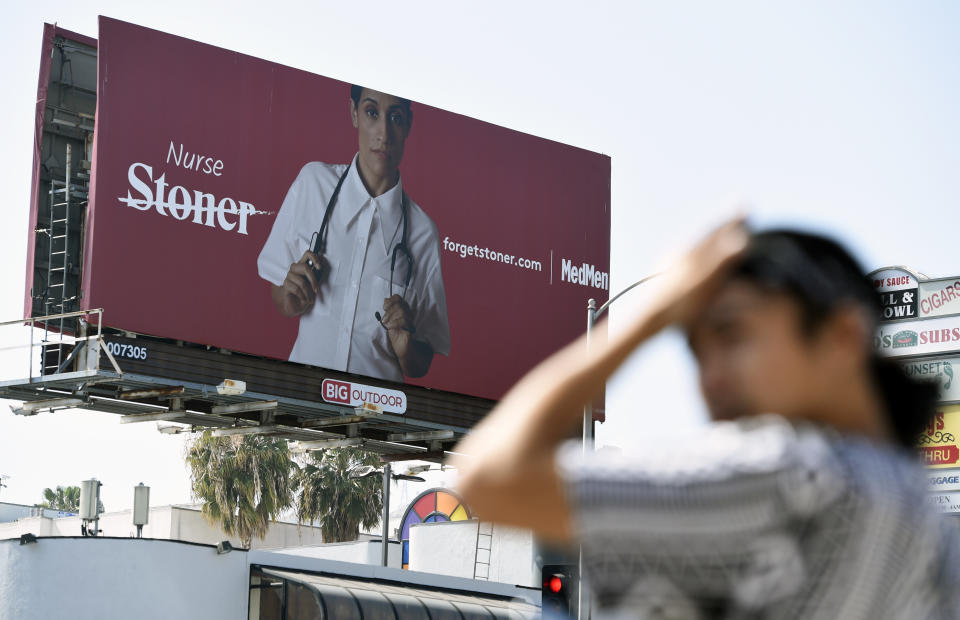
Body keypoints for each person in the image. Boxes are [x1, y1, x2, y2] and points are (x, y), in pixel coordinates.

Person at [453, 219, 958, 618]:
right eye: (696, 350)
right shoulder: (918, 516)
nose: (709, 377)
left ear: (841, 336)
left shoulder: (784, 478)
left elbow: (488, 477)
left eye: (733, 335)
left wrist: (650, 317)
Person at [257, 85, 450, 382]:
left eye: (395, 117)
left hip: (374, 413)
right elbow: (281, 297)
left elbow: (419, 364)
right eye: (372, 112)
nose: (383, 133)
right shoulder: (313, 183)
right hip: (304, 398)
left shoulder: (423, 233)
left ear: (408, 124)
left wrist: (405, 344)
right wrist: (290, 297)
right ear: (354, 113)